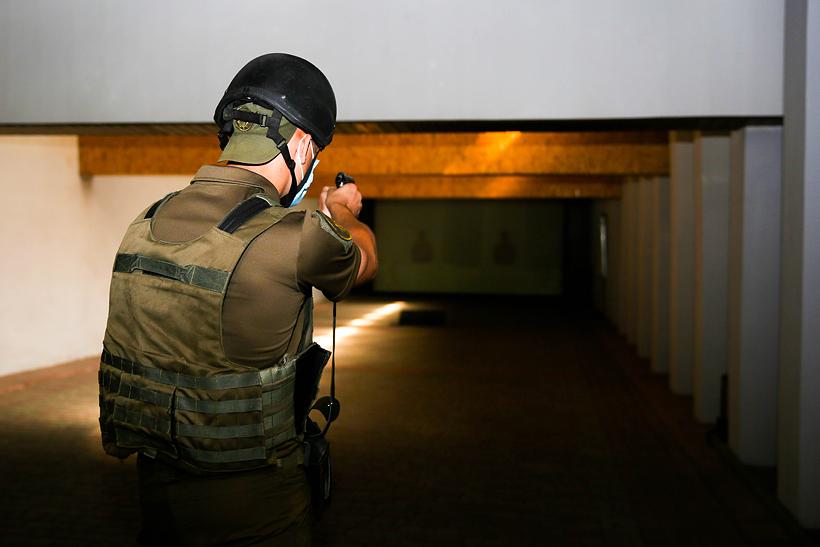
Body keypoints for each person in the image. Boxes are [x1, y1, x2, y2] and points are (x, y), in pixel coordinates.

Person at [98, 53, 377, 546]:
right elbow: (365, 261)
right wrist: (343, 213)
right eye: (314, 151)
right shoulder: (298, 235)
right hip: (258, 510)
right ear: (302, 144)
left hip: (158, 497)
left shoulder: (147, 220)